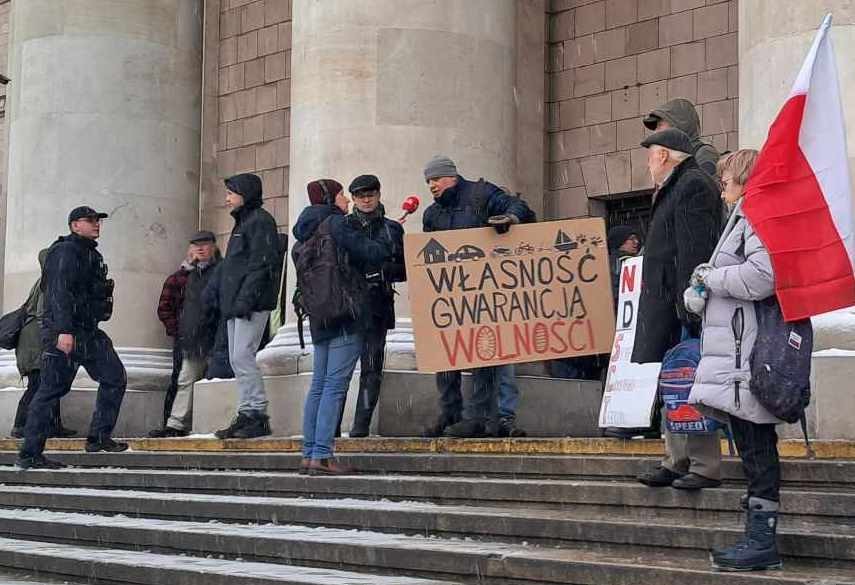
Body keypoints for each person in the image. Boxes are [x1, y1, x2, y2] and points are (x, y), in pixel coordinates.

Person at [683, 149, 786, 571]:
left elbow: (763, 277)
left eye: (726, 177)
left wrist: (711, 277)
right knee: (750, 446)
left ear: (744, 177)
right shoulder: (741, 217)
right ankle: (757, 536)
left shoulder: (757, 215)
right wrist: (702, 288)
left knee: (758, 448)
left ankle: (762, 540)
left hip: (746, 358)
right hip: (735, 357)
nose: (721, 184)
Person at [632, 129, 724, 490]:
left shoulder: (693, 185)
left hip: (680, 303)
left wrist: (691, 300)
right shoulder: (676, 187)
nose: (648, 162)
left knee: (691, 377)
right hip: (668, 302)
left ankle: (703, 464)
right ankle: (675, 459)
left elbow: (694, 247)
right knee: (674, 380)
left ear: (664, 155)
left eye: (650, 154)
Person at [421, 155, 535, 439]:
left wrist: (510, 218)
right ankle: (450, 413)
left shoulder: (482, 194)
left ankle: (478, 416)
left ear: (452, 176)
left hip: (483, 292)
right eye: (428, 181)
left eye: (435, 179)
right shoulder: (432, 214)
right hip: (449, 296)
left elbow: (519, 207)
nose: (431, 185)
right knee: (446, 356)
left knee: (483, 353)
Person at [292, 179, 392, 474]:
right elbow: (371, 253)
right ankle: (323, 454)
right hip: (345, 313)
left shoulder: (305, 230)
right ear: (329, 199)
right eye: (341, 196)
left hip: (319, 316)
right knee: (335, 387)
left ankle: (309, 453)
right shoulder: (336, 223)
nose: (347, 201)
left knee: (319, 386)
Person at [16, 206, 128, 470]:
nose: (96, 224)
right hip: (65, 331)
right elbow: (59, 293)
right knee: (50, 390)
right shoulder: (65, 251)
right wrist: (64, 331)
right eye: (90, 220)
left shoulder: (90, 253)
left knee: (114, 377)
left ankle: (99, 438)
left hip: (88, 331)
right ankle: (30, 453)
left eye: (98, 220)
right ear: (74, 225)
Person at [214, 173, 282, 440]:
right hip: (236, 303)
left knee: (243, 356)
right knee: (236, 358)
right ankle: (246, 411)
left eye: (231, 192)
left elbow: (261, 265)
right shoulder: (244, 222)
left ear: (245, 193)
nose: (227, 198)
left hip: (250, 303)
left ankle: (256, 413)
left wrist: (245, 300)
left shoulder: (260, 221)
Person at [343, 175, 406, 438]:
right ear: (354, 199)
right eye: (360, 196)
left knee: (372, 368)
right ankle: (332, 426)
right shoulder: (343, 226)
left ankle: (360, 426)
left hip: (377, 305)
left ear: (379, 195)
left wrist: (382, 272)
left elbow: (404, 269)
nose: (366, 200)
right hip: (347, 307)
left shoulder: (392, 229)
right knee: (341, 370)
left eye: (370, 194)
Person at [150, 231, 221, 437]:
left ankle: (199, 423)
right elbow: (165, 308)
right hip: (189, 337)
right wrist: (179, 331)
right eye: (195, 244)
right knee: (183, 380)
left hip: (213, 335)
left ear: (214, 247)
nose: (200, 248)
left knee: (209, 380)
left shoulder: (219, 272)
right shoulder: (180, 277)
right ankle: (174, 424)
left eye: (205, 244)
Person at [11, 250, 76, 439]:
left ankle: (54, 425)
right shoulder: (49, 283)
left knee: (50, 380)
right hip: (35, 343)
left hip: (35, 340)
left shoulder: (47, 281)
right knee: (38, 384)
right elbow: (42, 315)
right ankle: (20, 425)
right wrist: (52, 340)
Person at [643, 98, 720, 177]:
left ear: (678, 125)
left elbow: (703, 187)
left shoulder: (704, 153)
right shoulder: (670, 158)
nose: (656, 132)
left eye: (660, 125)